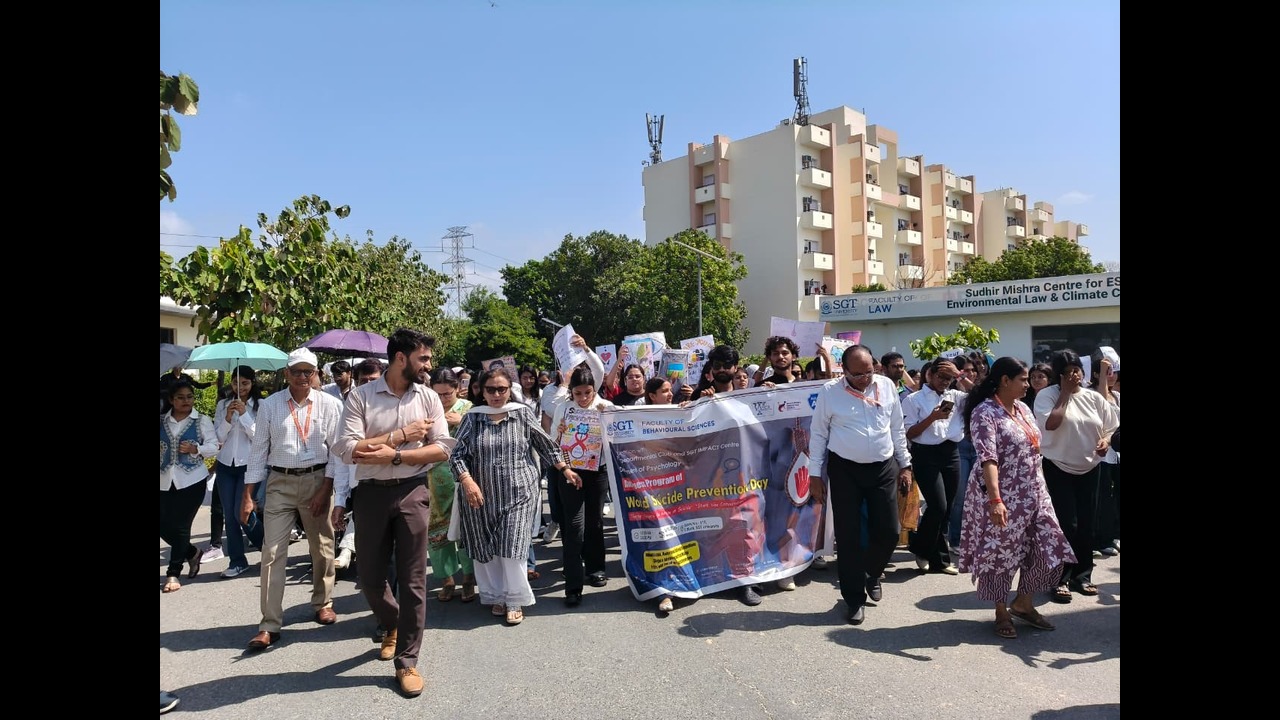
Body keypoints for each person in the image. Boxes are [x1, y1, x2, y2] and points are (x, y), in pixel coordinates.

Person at [332, 329, 453, 698]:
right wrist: (399, 437)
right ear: (401, 358)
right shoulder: (361, 396)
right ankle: (392, 623)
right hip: (369, 494)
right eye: (424, 358)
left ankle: (407, 661)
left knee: (414, 579)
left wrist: (394, 455)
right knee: (368, 576)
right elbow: (346, 448)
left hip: (413, 490)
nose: (429, 365)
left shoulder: (429, 397)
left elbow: (443, 449)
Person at [451, 369, 581, 626]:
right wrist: (466, 480)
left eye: (502, 389)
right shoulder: (472, 419)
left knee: (513, 546)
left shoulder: (521, 415)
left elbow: (545, 445)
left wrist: (565, 469)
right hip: (480, 495)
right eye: (491, 389)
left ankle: (515, 599)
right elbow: (457, 456)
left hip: (519, 492)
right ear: (481, 391)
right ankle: (495, 595)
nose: (497, 394)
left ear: (510, 390)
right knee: (486, 547)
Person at [957, 357, 1074, 639]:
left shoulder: (1022, 408)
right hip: (1002, 494)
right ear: (1005, 381)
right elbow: (988, 459)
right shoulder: (984, 412)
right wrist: (996, 500)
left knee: (1050, 545)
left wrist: (1040, 488)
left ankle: (1023, 603)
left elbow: (1033, 449)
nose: (1027, 384)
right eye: (1022, 379)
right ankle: (1001, 611)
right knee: (1002, 554)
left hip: (1033, 491)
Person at [241, 348, 344, 651]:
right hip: (280, 483)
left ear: (316, 375)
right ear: (285, 374)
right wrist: (247, 496)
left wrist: (326, 489)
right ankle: (269, 624)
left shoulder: (330, 404)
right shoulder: (270, 406)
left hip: (317, 480)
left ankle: (322, 601)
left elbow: (337, 453)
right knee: (271, 552)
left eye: (307, 372)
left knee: (322, 545)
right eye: (296, 371)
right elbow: (258, 451)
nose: (302, 377)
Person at [807, 345, 912, 625]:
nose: (865, 379)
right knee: (849, 536)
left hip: (883, 466)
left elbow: (897, 428)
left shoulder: (887, 386)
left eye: (869, 372)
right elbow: (818, 434)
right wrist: (814, 474)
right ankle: (854, 598)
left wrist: (905, 465)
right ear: (844, 370)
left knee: (889, 531)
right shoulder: (830, 392)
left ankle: (871, 573)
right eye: (858, 375)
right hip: (845, 468)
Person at [1034, 350, 1119, 603]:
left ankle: (1082, 576)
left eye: (1077, 371)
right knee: (1065, 524)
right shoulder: (1046, 396)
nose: (1075, 376)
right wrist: (1064, 393)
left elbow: (1111, 427)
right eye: (1069, 372)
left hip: (1090, 467)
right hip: (1058, 466)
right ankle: (1060, 578)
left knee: (1086, 524)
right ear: (1058, 375)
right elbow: (1051, 424)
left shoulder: (1094, 398)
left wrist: (1104, 441)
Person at [549, 367, 615, 607]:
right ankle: (573, 585)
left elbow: (619, 436)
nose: (584, 398)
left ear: (594, 390)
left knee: (595, 522)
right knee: (574, 526)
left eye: (588, 392)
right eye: (578, 393)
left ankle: (596, 568)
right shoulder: (563, 409)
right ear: (571, 392)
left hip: (598, 471)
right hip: (570, 471)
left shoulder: (606, 407)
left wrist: (607, 422)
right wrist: (558, 433)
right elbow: (553, 444)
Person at [902, 360, 965, 575]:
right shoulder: (913, 399)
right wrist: (932, 417)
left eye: (949, 378)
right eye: (941, 377)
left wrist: (961, 375)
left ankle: (936, 557)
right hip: (925, 454)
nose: (944, 382)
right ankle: (921, 548)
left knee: (946, 509)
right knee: (938, 505)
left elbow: (982, 397)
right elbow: (910, 433)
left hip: (951, 452)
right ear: (929, 374)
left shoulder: (955, 396)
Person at [160, 378, 219, 593]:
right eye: (181, 397)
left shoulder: (201, 420)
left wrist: (196, 449)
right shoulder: (162, 421)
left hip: (192, 479)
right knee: (163, 524)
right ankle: (193, 552)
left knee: (182, 525)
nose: (186, 401)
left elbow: (214, 447)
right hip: (164, 480)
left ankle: (173, 573)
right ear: (171, 400)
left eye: (190, 397)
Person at [427, 368, 477, 603]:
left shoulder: (469, 409)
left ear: (457, 389)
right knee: (437, 531)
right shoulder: (426, 409)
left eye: (447, 394)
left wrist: (463, 421)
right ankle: (446, 580)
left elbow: (480, 439)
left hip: (462, 476)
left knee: (465, 527)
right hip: (432, 478)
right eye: (438, 394)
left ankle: (468, 578)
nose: (443, 399)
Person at [213, 365, 266, 579]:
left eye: (245, 383)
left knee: (242, 512)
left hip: (250, 466)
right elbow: (218, 439)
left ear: (252, 383)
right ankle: (237, 561)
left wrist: (244, 415)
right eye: (236, 382)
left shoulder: (261, 406)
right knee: (230, 516)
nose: (240, 387)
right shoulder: (223, 404)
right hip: (226, 465)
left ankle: (269, 549)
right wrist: (227, 417)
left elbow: (259, 437)